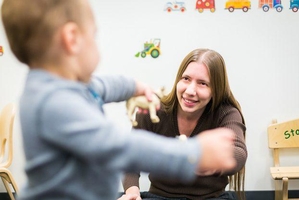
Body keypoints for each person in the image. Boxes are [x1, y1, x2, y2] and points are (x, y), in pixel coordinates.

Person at [1, 1, 237, 200]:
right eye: (93, 35)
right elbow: (119, 147)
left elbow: (105, 86)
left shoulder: (68, 86)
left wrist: (135, 87)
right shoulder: (53, 102)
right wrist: (191, 154)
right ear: (72, 39)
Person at [122, 49, 248, 200]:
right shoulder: (153, 110)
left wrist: (209, 159)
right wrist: (132, 193)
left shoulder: (226, 113)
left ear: (216, 89)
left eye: (203, 83)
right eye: (186, 79)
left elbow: (239, 153)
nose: (190, 90)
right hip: (159, 197)